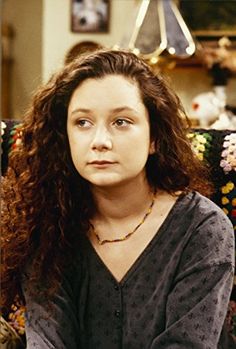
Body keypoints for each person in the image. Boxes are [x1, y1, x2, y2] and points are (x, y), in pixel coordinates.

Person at [1, 49, 235, 349]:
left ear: (155, 137)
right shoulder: (46, 221)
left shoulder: (203, 229)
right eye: (82, 122)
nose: (100, 141)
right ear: (65, 136)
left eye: (121, 121)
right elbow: (47, 342)